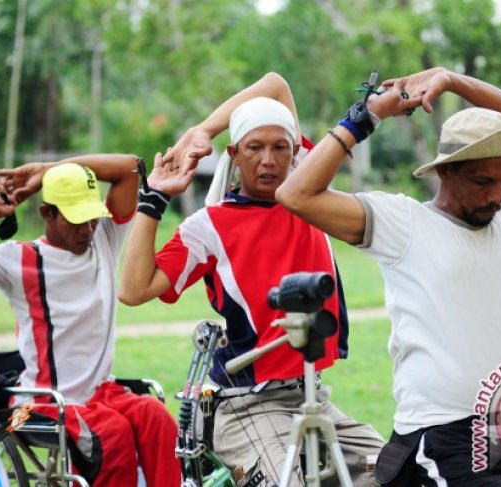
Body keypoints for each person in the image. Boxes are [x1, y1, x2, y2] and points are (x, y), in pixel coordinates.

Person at [276, 66, 501, 485]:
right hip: (441, 438)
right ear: (445, 171)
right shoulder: (402, 223)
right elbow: (295, 194)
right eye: (483, 181)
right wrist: (366, 118)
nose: (496, 194)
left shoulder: (499, 211)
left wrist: (451, 79)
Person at [119, 72, 385, 486]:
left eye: (281, 147)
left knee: (399, 472)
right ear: (234, 155)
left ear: (297, 152)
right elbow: (134, 290)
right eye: (254, 148)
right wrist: (154, 197)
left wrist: (202, 128)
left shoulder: (305, 192)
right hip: (244, 407)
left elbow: (278, 84)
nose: (269, 159)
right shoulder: (210, 226)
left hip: (310, 396)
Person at [0, 154, 181, 487]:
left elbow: (131, 166)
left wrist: (48, 171)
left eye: (92, 218)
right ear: (47, 212)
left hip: (101, 393)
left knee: (157, 418)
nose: (88, 229)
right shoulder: (19, 259)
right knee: (113, 435)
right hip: (46, 402)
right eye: (76, 220)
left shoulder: (104, 239)